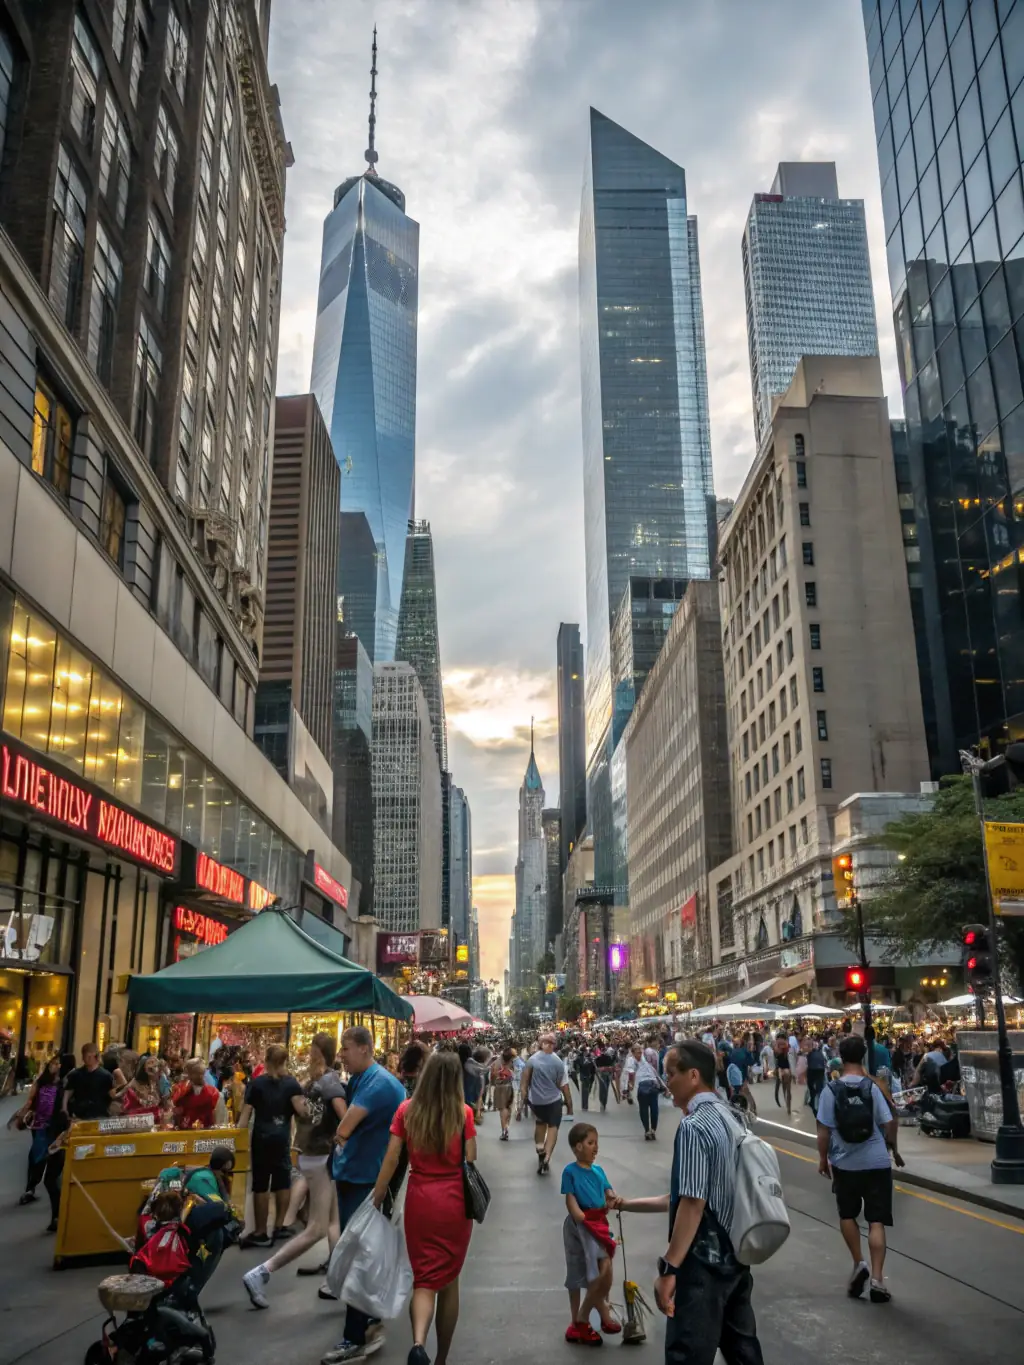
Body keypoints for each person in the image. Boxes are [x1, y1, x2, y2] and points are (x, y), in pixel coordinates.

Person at [613, 1041, 764, 1364]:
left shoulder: (694, 1127)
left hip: (703, 1263)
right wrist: (626, 1204)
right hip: (735, 1253)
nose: (667, 1082)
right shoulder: (731, 1115)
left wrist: (670, 1267)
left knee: (688, 1353)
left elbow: (693, 1204)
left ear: (693, 1075)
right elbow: (681, 1197)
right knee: (743, 1351)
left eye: (672, 1073)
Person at [372, 1051, 476, 1365]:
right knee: (450, 1279)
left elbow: (392, 1158)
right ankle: (442, 1357)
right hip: (454, 1201)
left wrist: (377, 1197)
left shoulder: (407, 1110)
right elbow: (470, 1160)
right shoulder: (463, 1113)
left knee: (423, 1278)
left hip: (420, 1199)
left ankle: (418, 1344)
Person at [322, 1025, 406, 1365]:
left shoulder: (378, 1084)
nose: (341, 1054)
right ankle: (367, 1320)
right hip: (359, 1178)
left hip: (365, 1182)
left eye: (346, 1047)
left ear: (364, 1048)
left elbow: (344, 1128)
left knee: (357, 1258)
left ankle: (353, 1338)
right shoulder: (365, 1080)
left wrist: (340, 1138)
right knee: (361, 1255)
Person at [243, 1033, 347, 1309]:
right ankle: (261, 1272)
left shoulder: (309, 1081)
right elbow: (343, 1112)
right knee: (317, 1228)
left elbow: (304, 1113)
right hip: (322, 1155)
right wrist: (347, 1135)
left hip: (311, 1153)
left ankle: (336, 1280)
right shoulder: (328, 1080)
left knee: (335, 1221)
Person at [816, 1034, 903, 1304]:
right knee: (876, 1220)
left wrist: (823, 1160)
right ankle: (878, 1279)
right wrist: (893, 1148)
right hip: (876, 1162)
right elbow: (889, 1121)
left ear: (840, 1057)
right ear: (863, 1056)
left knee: (848, 1215)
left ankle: (859, 1262)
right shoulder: (872, 1087)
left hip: (845, 1163)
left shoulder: (831, 1090)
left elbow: (823, 1130)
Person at [237, 1043, 304, 1249]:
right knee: (282, 1180)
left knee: (261, 1183)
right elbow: (302, 1111)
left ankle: (260, 1231)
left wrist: (237, 1135)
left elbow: (244, 1116)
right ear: (284, 1061)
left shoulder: (256, 1084)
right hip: (281, 1137)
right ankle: (279, 1226)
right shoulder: (292, 1084)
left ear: (266, 1061)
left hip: (261, 1138)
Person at [561, 1123, 620, 1345]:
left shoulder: (598, 1171)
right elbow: (570, 1197)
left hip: (598, 1224)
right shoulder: (570, 1171)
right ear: (578, 1147)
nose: (596, 1148)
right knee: (579, 1272)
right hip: (580, 1226)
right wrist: (578, 1214)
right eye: (590, 1143)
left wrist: (613, 1197)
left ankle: (588, 1316)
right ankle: (577, 1322)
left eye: (596, 1143)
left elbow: (608, 1189)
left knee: (604, 1269)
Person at [521, 1033, 573, 1176]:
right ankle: (547, 1156)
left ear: (541, 1044)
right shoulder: (558, 1062)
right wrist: (569, 1104)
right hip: (554, 1100)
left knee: (540, 1123)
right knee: (553, 1127)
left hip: (537, 1101)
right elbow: (563, 1085)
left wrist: (522, 1103)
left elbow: (524, 1082)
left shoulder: (532, 1060)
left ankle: (540, 1149)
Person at [15, 1055, 63, 1205]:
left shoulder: (64, 1084)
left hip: (55, 1125)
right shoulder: (41, 1082)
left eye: (58, 1063)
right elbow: (30, 1099)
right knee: (36, 1154)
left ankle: (50, 1185)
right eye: (53, 1063)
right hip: (39, 1124)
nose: (55, 1066)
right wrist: (22, 1113)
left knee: (52, 1155)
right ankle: (31, 1187)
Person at [63, 1043, 115, 1120]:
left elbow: (111, 1094)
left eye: (91, 1056)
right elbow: (68, 1091)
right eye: (87, 1056)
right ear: (83, 1057)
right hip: (80, 1114)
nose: (89, 1059)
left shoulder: (106, 1076)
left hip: (99, 1115)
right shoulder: (76, 1074)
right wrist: (64, 1108)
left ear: (96, 1057)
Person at [172, 1058, 221, 1130]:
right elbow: (176, 1113)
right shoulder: (182, 1091)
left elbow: (216, 1119)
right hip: (185, 1133)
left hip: (204, 1134)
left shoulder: (213, 1093)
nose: (185, 1075)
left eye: (187, 1072)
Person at [122, 1054, 171, 1123]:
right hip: (139, 1119)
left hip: (157, 1119)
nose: (152, 1064)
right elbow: (124, 1093)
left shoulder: (162, 1082)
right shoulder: (136, 1082)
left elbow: (168, 1100)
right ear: (144, 1068)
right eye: (149, 1062)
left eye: (154, 1062)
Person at [633, 1044, 667, 1140]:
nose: (640, 1054)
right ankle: (649, 1130)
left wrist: (664, 1087)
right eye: (638, 1052)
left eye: (640, 1052)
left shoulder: (644, 1064)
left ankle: (650, 1130)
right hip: (646, 1086)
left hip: (648, 1086)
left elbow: (656, 1075)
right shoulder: (635, 1062)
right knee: (649, 1109)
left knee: (652, 1109)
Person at [490, 1050, 515, 1140]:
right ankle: (507, 1126)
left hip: (500, 1087)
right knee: (508, 1107)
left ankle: (504, 1130)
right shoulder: (511, 1062)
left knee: (503, 1109)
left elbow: (492, 1076)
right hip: (509, 1086)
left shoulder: (496, 1063)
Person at [805, 1039, 827, 1115]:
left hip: (813, 1069)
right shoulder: (820, 1052)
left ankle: (813, 1102)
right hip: (821, 1069)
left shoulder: (808, 1052)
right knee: (819, 1088)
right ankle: (819, 1105)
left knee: (811, 1086)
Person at [773, 1032, 793, 1115]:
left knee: (785, 1089)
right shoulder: (786, 1046)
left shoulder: (781, 1047)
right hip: (784, 1069)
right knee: (787, 1089)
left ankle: (788, 1106)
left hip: (783, 1069)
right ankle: (788, 1106)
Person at [594, 1043, 616, 1112]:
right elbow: (612, 1066)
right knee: (605, 1089)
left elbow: (596, 1068)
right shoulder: (608, 1058)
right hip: (606, 1075)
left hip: (603, 1075)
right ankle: (603, 1102)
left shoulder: (599, 1058)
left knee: (603, 1089)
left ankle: (602, 1103)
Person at [577, 1047, 597, 1113]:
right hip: (583, 1076)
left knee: (586, 1091)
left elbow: (593, 1067)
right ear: (583, 1052)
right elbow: (580, 1065)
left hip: (589, 1076)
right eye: (585, 1051)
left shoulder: (590, 1058)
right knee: (584, 1091)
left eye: (587, 1051)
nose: (587, 1052)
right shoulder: (580, 1058)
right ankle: (584, 1106)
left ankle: (585, 1105)